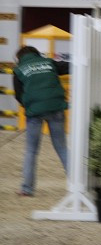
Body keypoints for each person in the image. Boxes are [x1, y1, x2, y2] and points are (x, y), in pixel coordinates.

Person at [12, 46, 69, 196]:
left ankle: (27, 188)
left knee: (31, 150)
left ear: (19, 58)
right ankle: (76, 183)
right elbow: (70, 67)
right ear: (36, 54)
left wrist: (30, 107)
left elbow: (18, 95)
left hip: (34, 113)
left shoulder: (19, 70)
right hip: (56, 107)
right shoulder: (49, 63)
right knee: (62, 148)